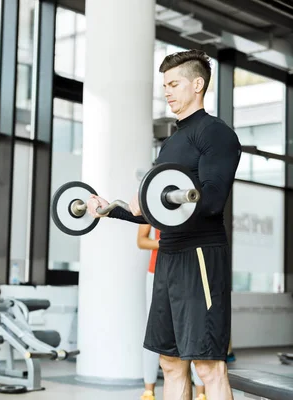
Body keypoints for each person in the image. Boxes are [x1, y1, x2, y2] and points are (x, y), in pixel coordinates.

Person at [87, 49, 241, 400]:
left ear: (198, 84)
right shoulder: (172, 142)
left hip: (201, 254)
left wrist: (170, 195)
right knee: (169, 362)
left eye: (174, 83)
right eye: (165, 85)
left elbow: (213, 200)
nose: (167, 91)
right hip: (170, 257)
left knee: (208, 365)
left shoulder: (215, 134)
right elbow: (153, 211)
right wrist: (110, 209)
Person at [137, 225, 205, 400]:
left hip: (189, 270)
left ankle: (201, 393)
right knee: (154, 331)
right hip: (156, 271)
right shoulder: (151, 203)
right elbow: (141, 240)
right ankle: (149, 391)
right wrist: (166, 243)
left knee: (192, 328)